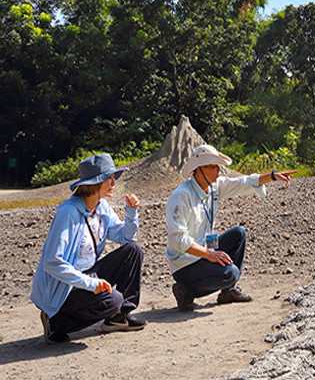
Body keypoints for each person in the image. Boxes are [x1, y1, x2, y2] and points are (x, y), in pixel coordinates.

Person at [30, 154, 146, 343]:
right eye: (109, 178)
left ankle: (118, 317)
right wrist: (91, 284)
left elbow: (125, 237)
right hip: (66, 287)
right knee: (113, 299)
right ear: (95, 183)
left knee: (133, 250)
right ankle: (56, 322)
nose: (113, 182)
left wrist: (131, 213)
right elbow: (52, 263)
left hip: (87, 275)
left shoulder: (101, 208)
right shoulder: (68, 214)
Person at [166, 144, 294, 310]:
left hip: (204, 250)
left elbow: (242, 183)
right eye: (213, 166)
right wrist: (208, 254)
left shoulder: (213, 187)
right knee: (231, 273)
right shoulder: (181, 196)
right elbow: (178, 239)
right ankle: (185, 290)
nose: (218, 171)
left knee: (238, 234)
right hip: (185, 263)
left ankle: (228, 292)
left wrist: (271, 177)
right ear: (199, 169)